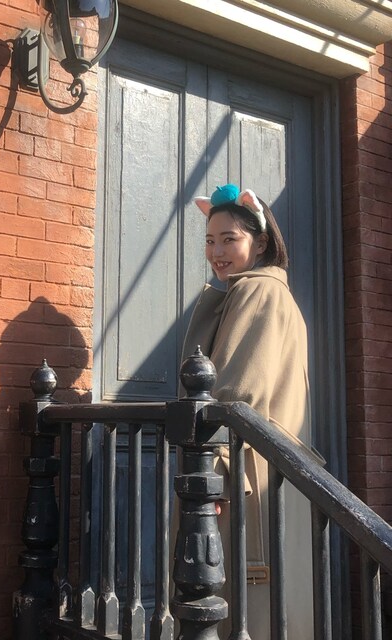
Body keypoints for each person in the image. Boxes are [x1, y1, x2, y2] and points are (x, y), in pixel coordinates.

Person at [180, 184, 318, 639]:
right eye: (210, 240)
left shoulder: (256, 292)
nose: (217, 252)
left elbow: (237, 396)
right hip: (268, 472)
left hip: (246, 475)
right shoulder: (269, 292)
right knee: (273, 604)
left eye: (229, 239)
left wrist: (215, 475)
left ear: (259, 243)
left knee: (239, 603)